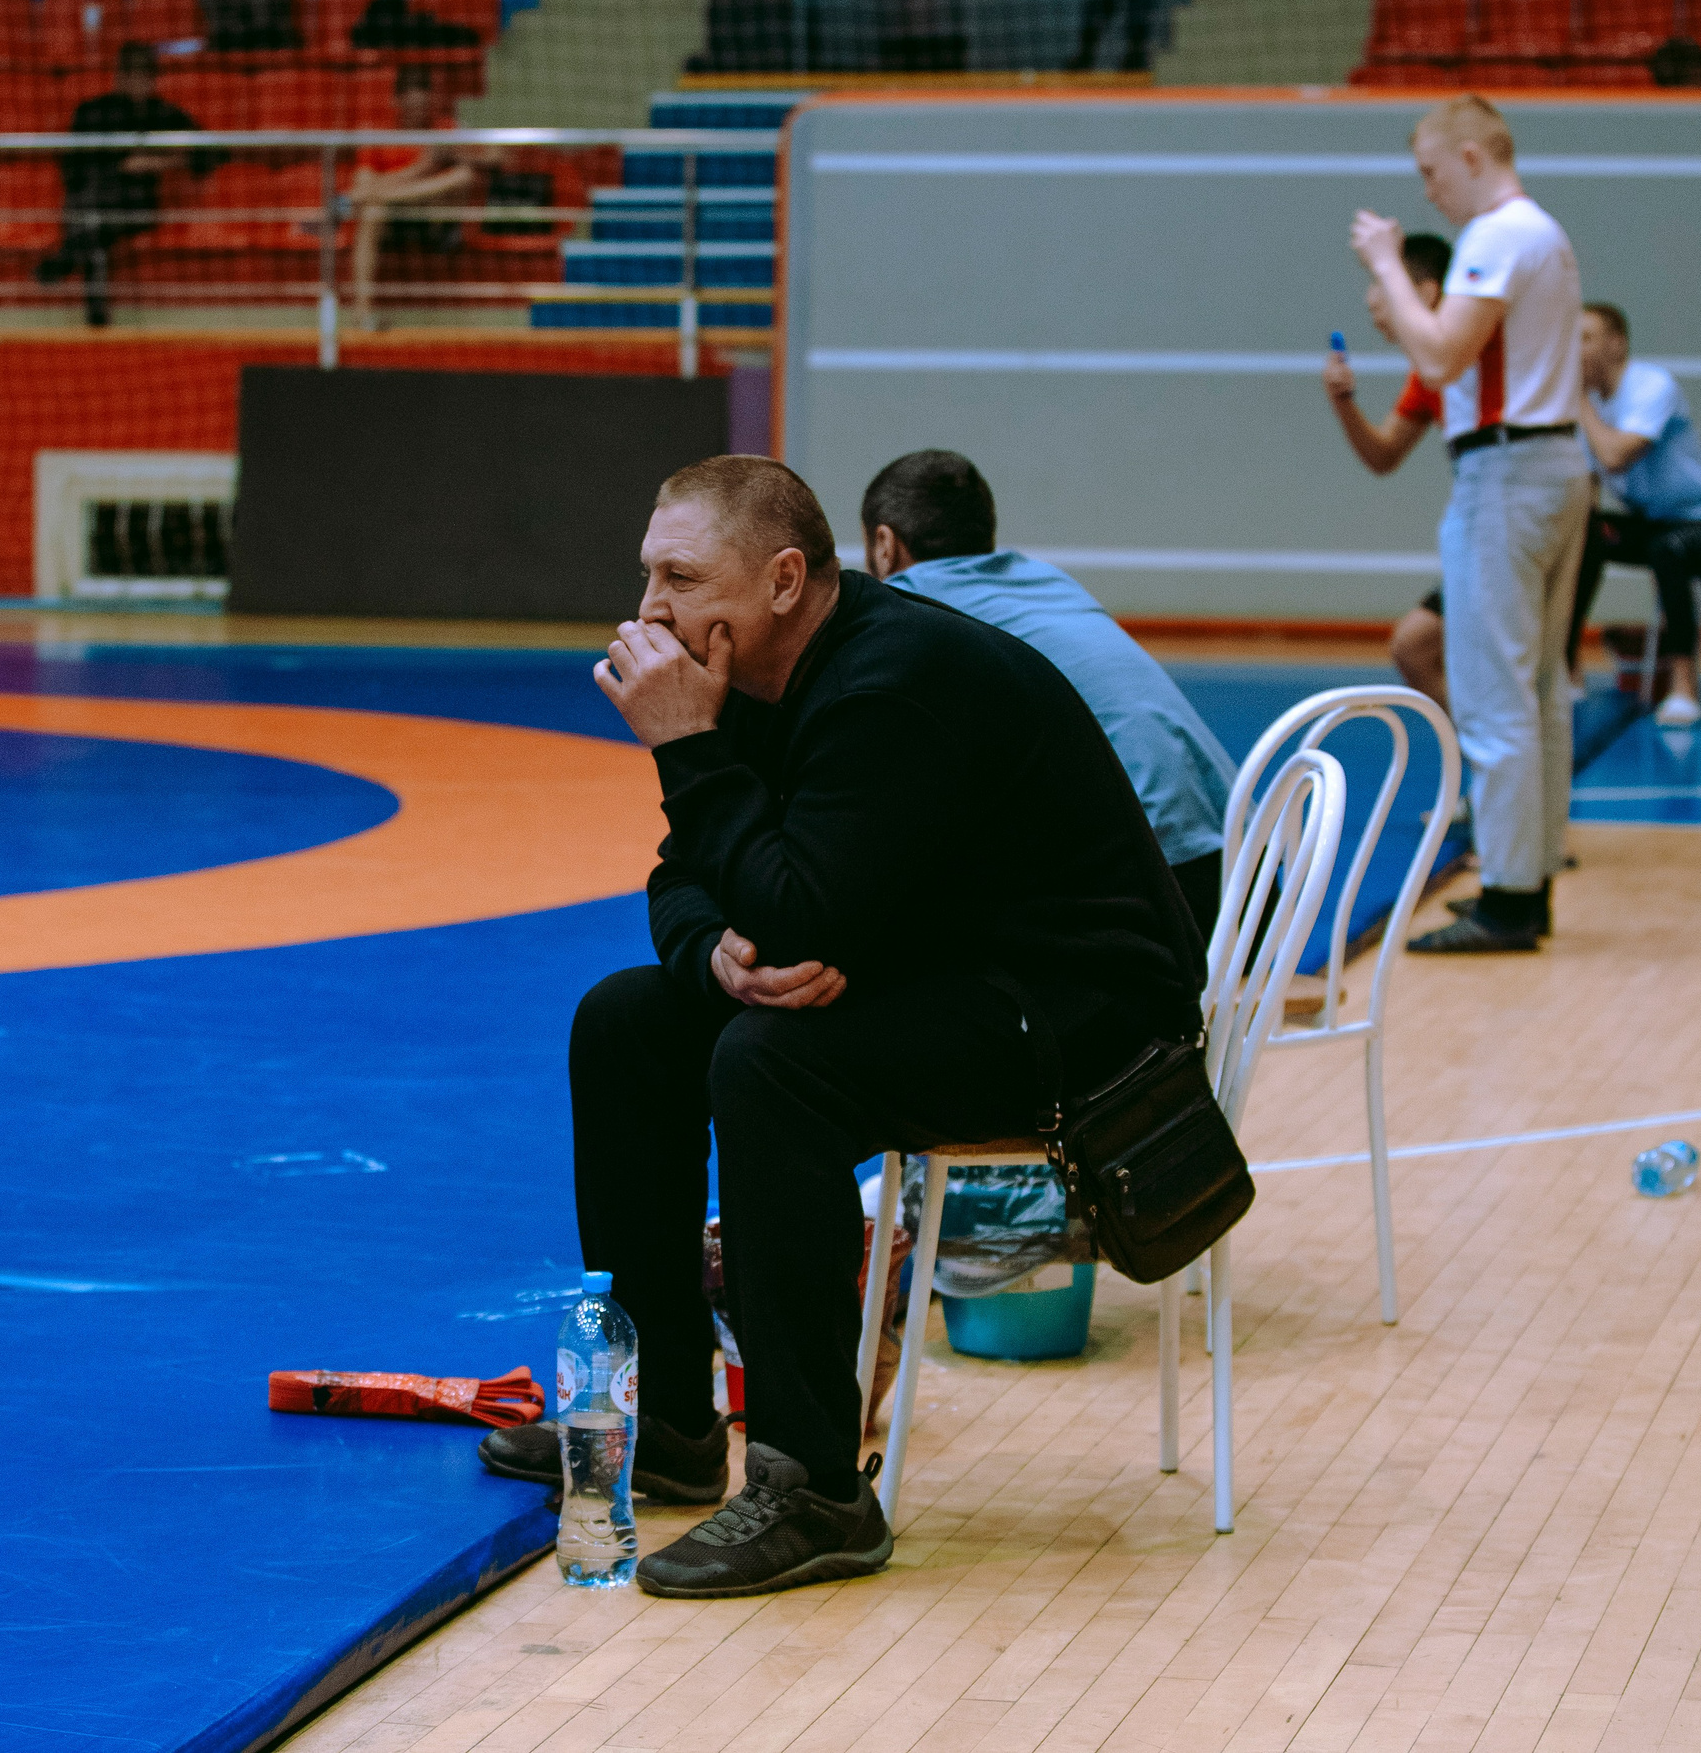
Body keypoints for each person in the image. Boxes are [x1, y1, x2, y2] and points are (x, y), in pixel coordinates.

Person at [475, 457, 1205, 1599]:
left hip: (1081, 1011)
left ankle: (815, 1489)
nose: (651, 608)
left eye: (679, 575)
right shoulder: (754, 670)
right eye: (645, 575)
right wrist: (711, 948)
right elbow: (689, 878)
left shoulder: (891, 679)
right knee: (625, 1019)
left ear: (780, 579)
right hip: (937, 959)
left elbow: (803, 908)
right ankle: (667, 1420)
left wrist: (684, 749)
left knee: (773, 1066)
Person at [1351, 95, 1587, 954]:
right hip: (1554, 464)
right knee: (1543, 688)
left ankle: (1511, 896)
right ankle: (1533, 869)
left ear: (1475, 154)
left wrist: (1385, 265)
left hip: (1508, 471)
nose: (1428, 192)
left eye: (1431, 170)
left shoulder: (1498, 236)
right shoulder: (1547, 234)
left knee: (1495, 692)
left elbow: (1443, 352)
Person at [858, 448, 1238, 937]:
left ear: (884, 544)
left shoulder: (909, 610)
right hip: (1249, 883)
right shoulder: (1048, 580)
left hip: (1154, 903)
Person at [1566, 302, 1701, 727]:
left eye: (1586, 338)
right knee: (1580, 531)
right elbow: (1585, 489)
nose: (1575, 350)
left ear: (1617, 344)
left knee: (1670, 550)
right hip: (1653, 526)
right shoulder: (1589, 408)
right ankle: (1566, 666)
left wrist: (1578, 403)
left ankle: (1685, 686)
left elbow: (1613, 457)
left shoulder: (1651, 386)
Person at [1323, 231, 1454, 713]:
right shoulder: (1428, 373)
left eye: (1382, 281)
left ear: (1425, 292)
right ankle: (1487, 775)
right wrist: (1344, 402)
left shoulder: (1469, 355)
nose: (1370, 298)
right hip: (1481, 531)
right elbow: (1384, 455)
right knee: (1413, 647)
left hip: (1528, 521)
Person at [35, 42, 211, 329]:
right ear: (119, 76)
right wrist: (119, 166)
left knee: (93, 219)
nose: (138, 83)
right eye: (132, 75)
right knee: (95, 225)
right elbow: (72, 168)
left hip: (136, 206)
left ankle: (65, 260)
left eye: (145, 76)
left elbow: (211, 152)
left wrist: (157, 161)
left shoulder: (165, 115)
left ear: (153, 79)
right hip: (89, 201)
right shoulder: (92, 112)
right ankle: (96, 313)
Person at [346, 65, 492, 333]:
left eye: (423, 107)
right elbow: (361, 188)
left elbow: (496, 157)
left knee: (463, 176)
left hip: (437, 222)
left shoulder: (445, 129)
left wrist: (466, 154)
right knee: (372, 212)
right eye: (412, 108)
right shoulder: (377, 136)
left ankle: (390, 199)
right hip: (392, 224)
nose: (418, 114)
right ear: (396, 102)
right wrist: (422, 168)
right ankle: (362, 315)